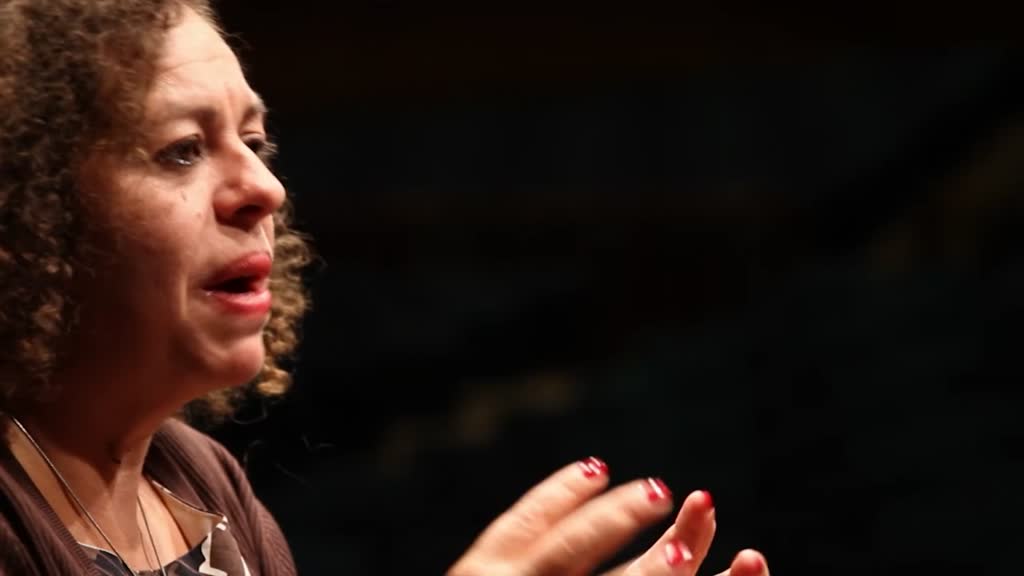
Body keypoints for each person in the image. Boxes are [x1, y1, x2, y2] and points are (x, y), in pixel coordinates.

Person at [0, 1, 772, 574]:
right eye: (181, 151)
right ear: (27, 215)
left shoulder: (201, 480)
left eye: (255, 140)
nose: (264, 187)